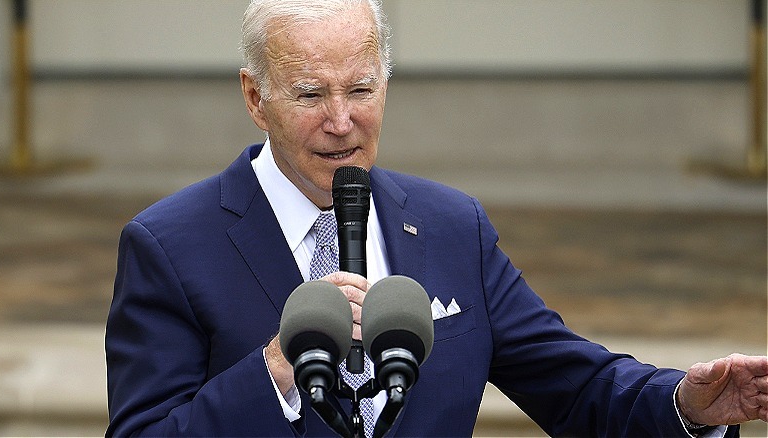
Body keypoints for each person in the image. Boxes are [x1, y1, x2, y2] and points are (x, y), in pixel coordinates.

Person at [105, 0, 768, 436]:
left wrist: (687, 404)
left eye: (361, 88)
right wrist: (277, 369)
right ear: (256, 97)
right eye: (311, 93)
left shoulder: (453, 226)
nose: (342, 120)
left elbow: (579, 387)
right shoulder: (168, 246)